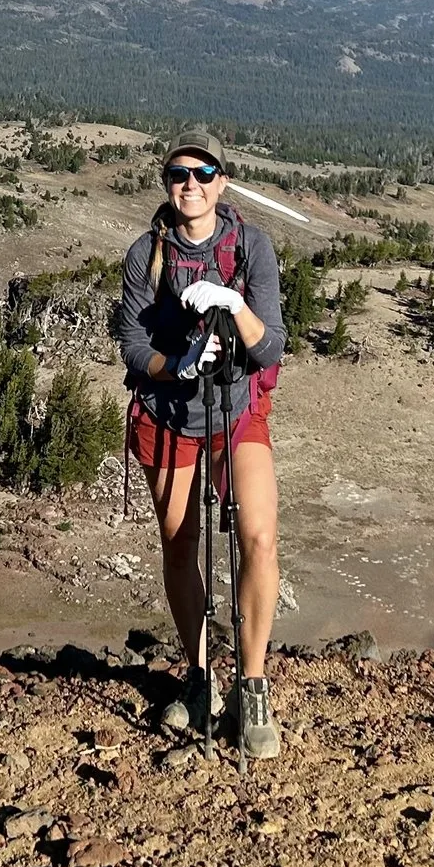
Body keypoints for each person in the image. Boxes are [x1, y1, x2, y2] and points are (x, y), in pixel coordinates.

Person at [115, 126, 286, 757]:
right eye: (179, 175)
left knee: (259, 536)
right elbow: (134, 348)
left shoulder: (251, 247)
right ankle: (199, 678)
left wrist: (230, 305)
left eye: (203, 173)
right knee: (180, 544)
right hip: (171, 415)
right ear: (166, 183)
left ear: (223, 182)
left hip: (237, 409)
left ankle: (253, 682)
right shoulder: (146, 255)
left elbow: (270, 345)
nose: (190, 185)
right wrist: (176, 363)